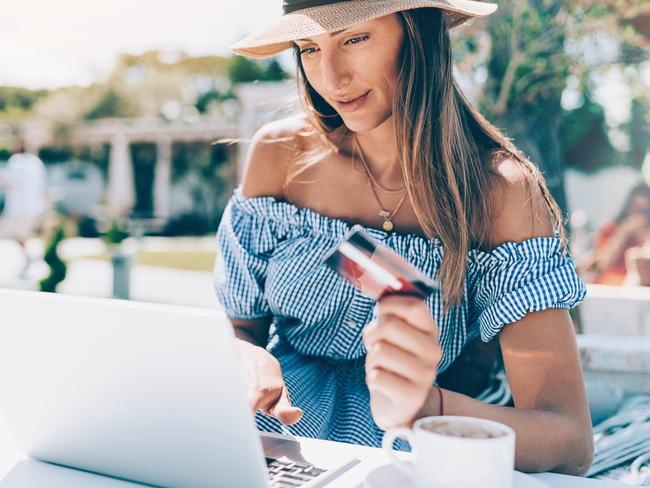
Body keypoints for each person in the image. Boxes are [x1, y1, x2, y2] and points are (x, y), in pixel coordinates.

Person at [214, 0, 593, 476]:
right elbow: (239, 326)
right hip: (283, 452)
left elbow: (569, 440)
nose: (331, 78)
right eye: (308, 48)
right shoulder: (280, 156)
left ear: (417, 34)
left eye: (355, 38)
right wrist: (245, 358)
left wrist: (423, 407)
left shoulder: (501, 193)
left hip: (418, 459)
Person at [582, 183, 650, 285]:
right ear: (628, 207)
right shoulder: (609, 228)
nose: (639, 215)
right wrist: (624, 232)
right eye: (636, 208)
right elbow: (604, 263)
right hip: (612, 284)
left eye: (644, 210)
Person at [0, 137, 48, 278]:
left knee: (16, 234)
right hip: (34, 206)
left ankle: (31, 257)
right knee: (22, 235)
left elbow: (10, 182)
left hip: (19, 208)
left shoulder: (16, 161)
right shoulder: (36, 163)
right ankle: (31, 256)